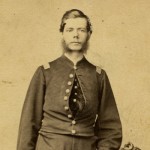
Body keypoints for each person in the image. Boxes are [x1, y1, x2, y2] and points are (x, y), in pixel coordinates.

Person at [17, 9, 122, 150]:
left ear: (89, 34)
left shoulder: (99, 75)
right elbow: (28, 124)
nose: (75, 35)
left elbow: (110, 127)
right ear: (62, 34)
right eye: (70, 30)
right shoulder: (45, 72)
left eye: (81, 30)